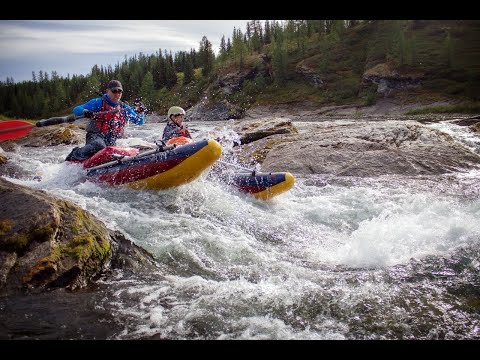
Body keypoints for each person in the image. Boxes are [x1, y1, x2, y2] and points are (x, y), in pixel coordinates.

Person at [65, 80, 145, 161]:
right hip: (95, 136)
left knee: (114, 148)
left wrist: (141, 112)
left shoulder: (124, 107)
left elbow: (139, 121)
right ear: (107, 91)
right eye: (114, 91)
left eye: (120, 92)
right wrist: (85, 112)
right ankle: (75, 154)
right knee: (99, 145)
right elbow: (76, 109)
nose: (117, 94)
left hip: (111, 140)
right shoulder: (98, 102)